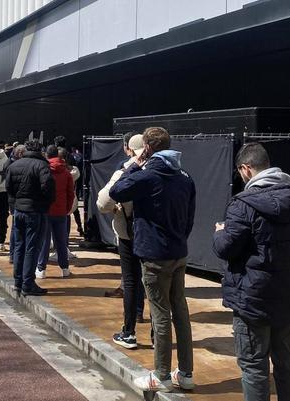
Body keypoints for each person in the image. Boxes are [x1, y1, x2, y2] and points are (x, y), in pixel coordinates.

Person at [213, 143, 290, 401]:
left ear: (246, 169)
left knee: (254, 367)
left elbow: (226, 248)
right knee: (286, 363)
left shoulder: (242, 204)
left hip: (253, 299)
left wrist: (220, 232)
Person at [110, 127, 196, 392]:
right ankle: (186, 373)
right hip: (178, 251)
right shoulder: (185, 177)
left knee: (160, 314)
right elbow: (190, 217)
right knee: (180, 311)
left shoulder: (149, 175)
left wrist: (135, 164)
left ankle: (161, 375)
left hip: (155, 255)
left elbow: (117, 191)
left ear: (147, 147)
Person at [97, 133, 146, 350]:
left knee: (130, 279)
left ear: (128, 148)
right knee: (155, 284)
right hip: (158, 236)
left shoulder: (126, 171)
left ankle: (129, 331)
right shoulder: (170, 171)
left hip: (129, 233)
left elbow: (103, 202)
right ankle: (156, 334)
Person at [6, 140, 55, 296]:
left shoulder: (14, 165)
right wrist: (45, 203)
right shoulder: (42, 166)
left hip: (19, 210)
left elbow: (9, 188)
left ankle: (18, 281)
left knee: (19, 246)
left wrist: (14, 204)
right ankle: (28, 283)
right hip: (35, 210)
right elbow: (48, 186)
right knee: (32, 247)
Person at [35, 145, 74, 278]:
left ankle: (41, 269)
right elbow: (71, 194)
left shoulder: (44, 170)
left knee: (45, 241)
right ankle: (65, 269)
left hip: (46, 211)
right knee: (61, 241)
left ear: (46, 155)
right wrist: (66, 209)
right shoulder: (66, 172)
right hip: (61, 211)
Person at [4, 144, 26, 263]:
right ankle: (14, 254)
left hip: (14, 200)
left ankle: (14, 255)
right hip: (18, 201)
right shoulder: (14, 166)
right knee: (16, 228)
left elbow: (8, 186)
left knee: (15, 228)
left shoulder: (10, 165)